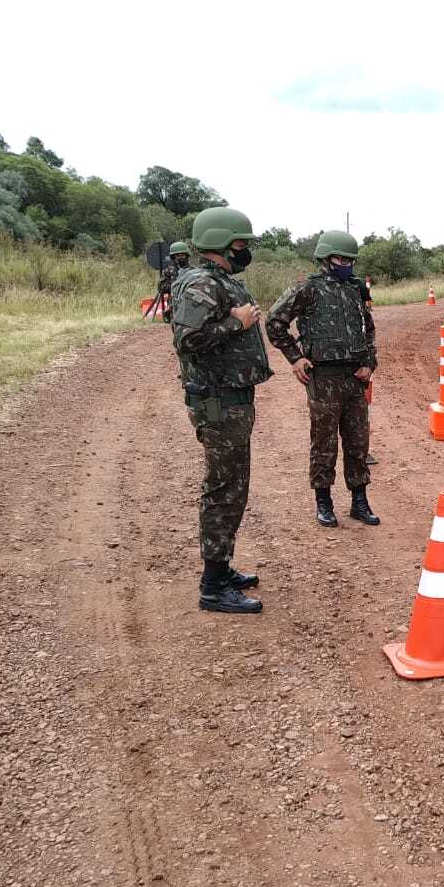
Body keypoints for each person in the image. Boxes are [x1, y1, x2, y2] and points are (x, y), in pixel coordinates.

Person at [171, 208, 271, 614]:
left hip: (231, 402)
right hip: (218, 405)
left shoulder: (219, 282)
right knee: (222, 490)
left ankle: (222, 566)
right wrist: (238, 324)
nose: (245, 251)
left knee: (234, 489)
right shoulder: (200, 283)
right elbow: (188, 338)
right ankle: (213, 586)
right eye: (242, 244)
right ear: (223, 242)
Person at [266, 229, 380, 528]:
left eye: (350, 260)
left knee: (358, 442)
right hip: (323, 377)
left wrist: (370, 363)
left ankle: (359, 501)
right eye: (341, 258)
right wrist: (295, 358)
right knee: (324, 442)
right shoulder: (308, 288)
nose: (347, 264)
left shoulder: (356, 289)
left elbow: (369, 329)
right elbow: (274, 322)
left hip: (354, 377)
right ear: (326, 259)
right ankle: (324, 501)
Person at [158, 241, 190, 322]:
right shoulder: (169, 270)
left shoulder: (192, 270)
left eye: (183, 255)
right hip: (174, 303)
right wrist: (175, 285)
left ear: (187, 255)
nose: (181, 257)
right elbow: (161, 288)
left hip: (189, 302)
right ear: (173, 257)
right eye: (178, 255)